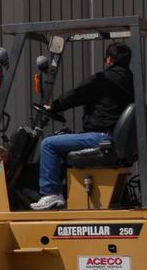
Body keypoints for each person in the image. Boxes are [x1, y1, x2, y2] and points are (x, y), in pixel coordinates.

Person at [31, 41, 135, 210]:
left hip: (101, 137)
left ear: (109, 60)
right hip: (111, 137)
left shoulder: (104, 79)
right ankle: (64, 192)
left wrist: (54, 106)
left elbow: (78, 94)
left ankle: (51, 193)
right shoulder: (131, 82)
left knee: (48, 144)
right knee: (62, 141)